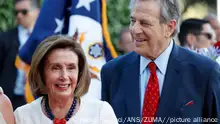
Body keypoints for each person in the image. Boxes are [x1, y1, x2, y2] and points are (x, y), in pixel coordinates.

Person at [101, 0, 220, 123]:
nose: (135, 30)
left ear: (169, 28)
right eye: (133, 21)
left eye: (144, 23)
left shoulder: (205, 72)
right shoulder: (112, 72)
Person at [14, 35, 118, 124]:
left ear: (80, 72)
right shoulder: (22, 116)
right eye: (56, 68)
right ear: (41, 72)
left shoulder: (100, 112)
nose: (64, 76)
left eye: (71, 68)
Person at [0, 0, 40, 109]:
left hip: (38, 98)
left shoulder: (46, 37)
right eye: (16, 12)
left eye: (24, 11)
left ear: (37, 12)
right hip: (10, 98)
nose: (19, 15)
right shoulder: (4, 38)